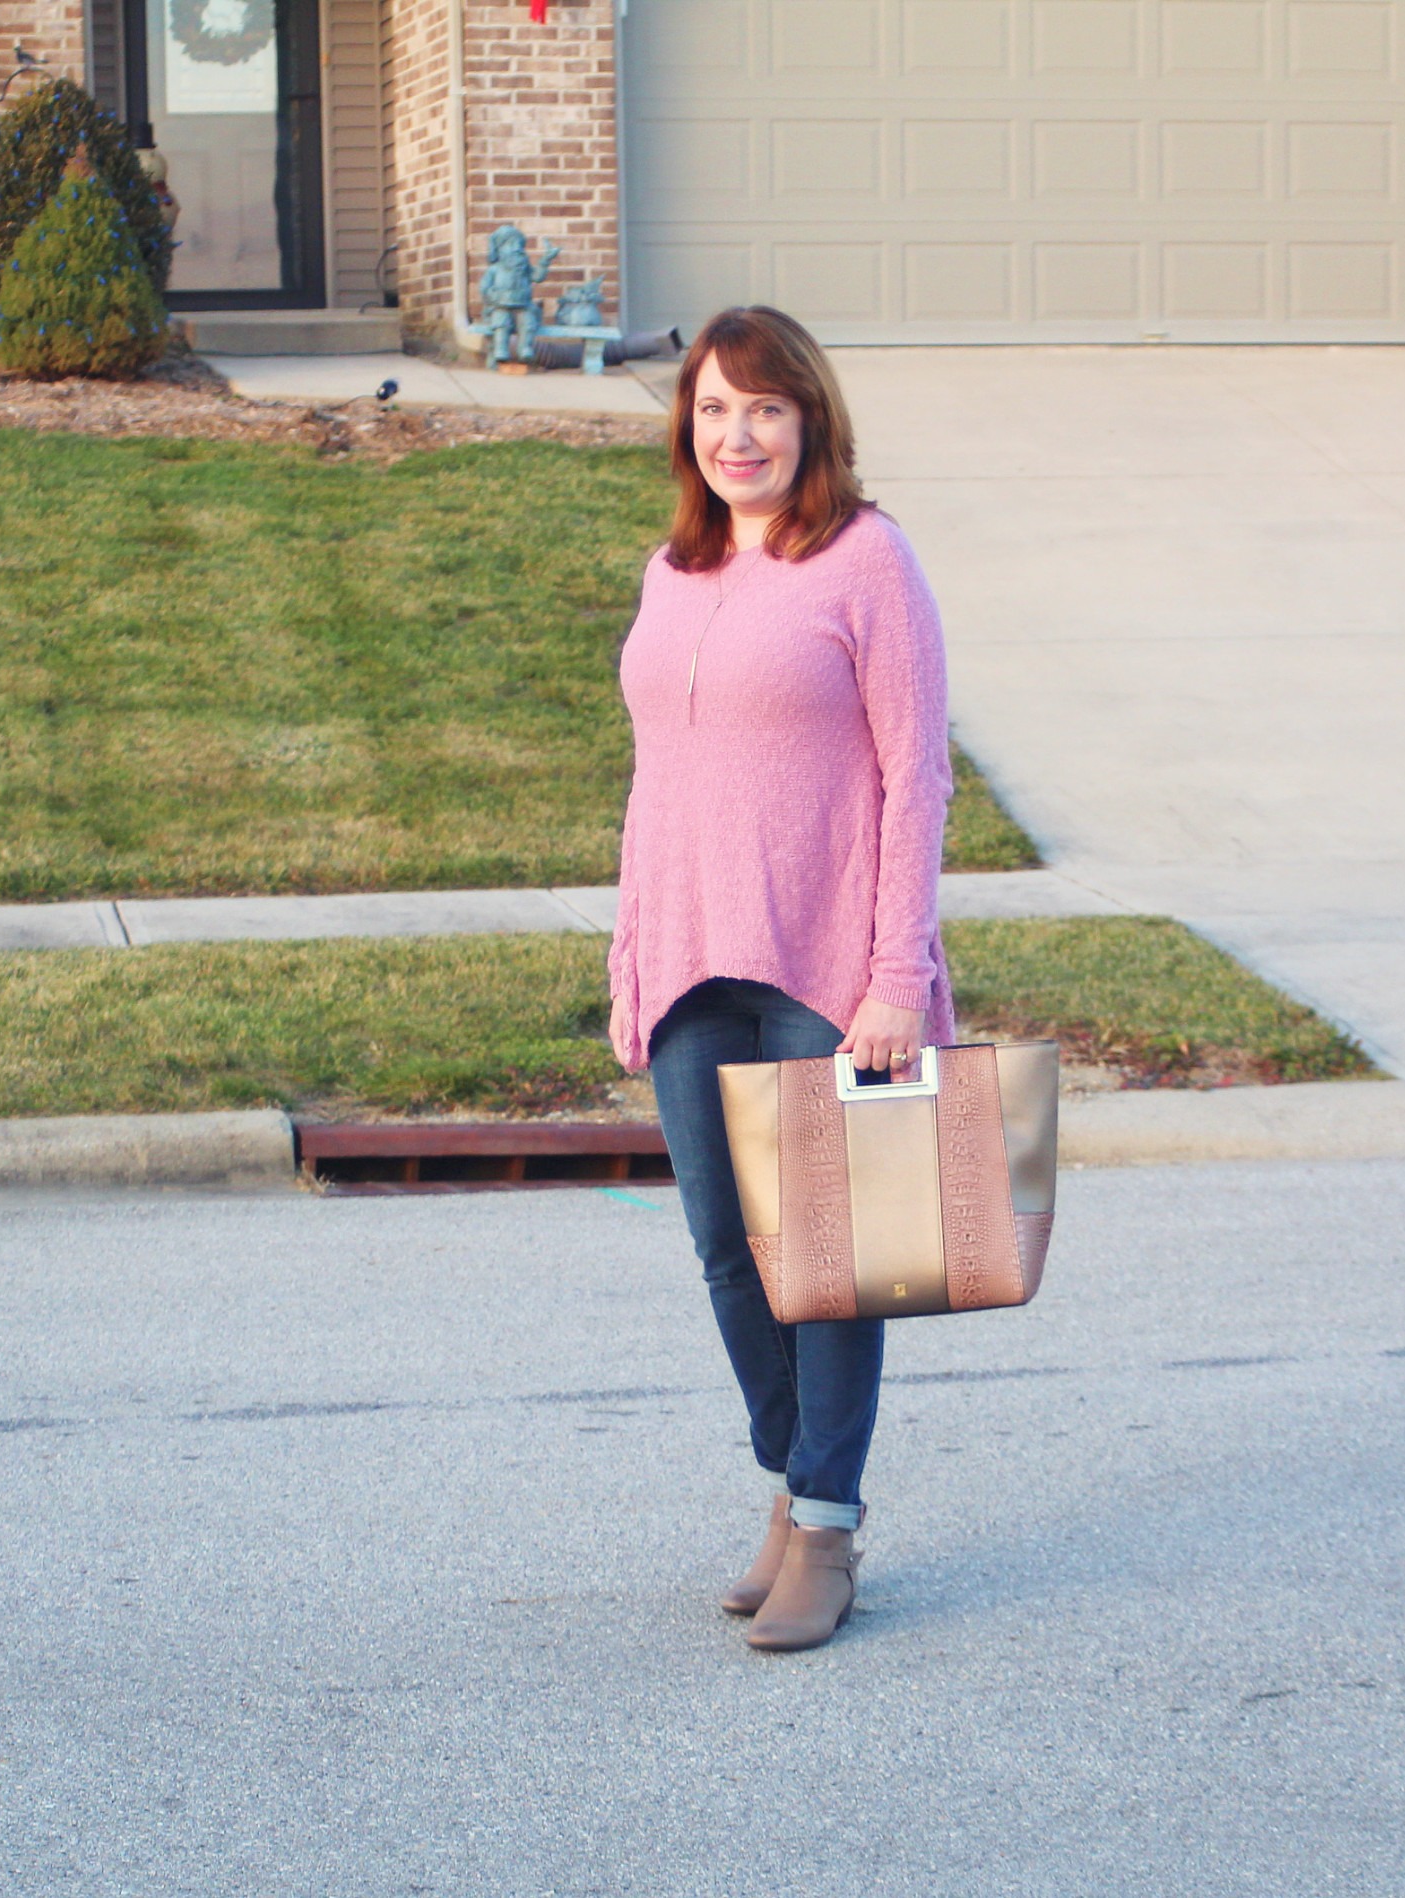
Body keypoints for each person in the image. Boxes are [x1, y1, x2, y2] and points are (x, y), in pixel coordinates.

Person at [608, 306, 954, 1652]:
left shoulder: (868, 562)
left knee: (834, 1260)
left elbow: (917, 778)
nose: (735, 434)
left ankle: (826, 1516)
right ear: (686, 432)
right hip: (690, 956)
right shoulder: (670, 570)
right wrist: (634, 947)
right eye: (711, 410)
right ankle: (788, 1475)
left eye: (762, 407)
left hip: (826, 963)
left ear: (809, 419)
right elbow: (659, 780)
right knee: (725, 1250)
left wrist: (897, 976)